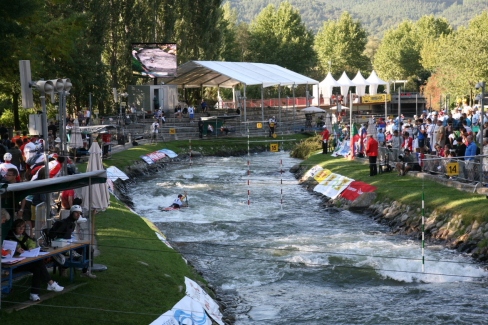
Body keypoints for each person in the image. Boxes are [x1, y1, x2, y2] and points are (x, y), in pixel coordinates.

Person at [6, 219, 64, 301]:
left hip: (25, 261)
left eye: (23, 228)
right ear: (14, 228)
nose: (21, 230)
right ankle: (50, 283)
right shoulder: (9, 237)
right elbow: (7, 249)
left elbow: (31, 242)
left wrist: (31, 247)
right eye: (19, 228)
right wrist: (16, 249)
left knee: (37, 268)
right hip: (15, 264)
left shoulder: (24, 236)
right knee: (39, 263)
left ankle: (34, 293)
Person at [48, 205, 96, 278]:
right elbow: (52, 235)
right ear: (71, 213)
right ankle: (64, 267)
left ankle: (85, 271)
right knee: (73, 252)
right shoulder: (62, 223)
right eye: (76, 213)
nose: (78, 215)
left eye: (79, 213)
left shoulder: (73, 224)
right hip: (61, 246)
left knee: (89, 248)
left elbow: (70, 236)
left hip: (70, 244)